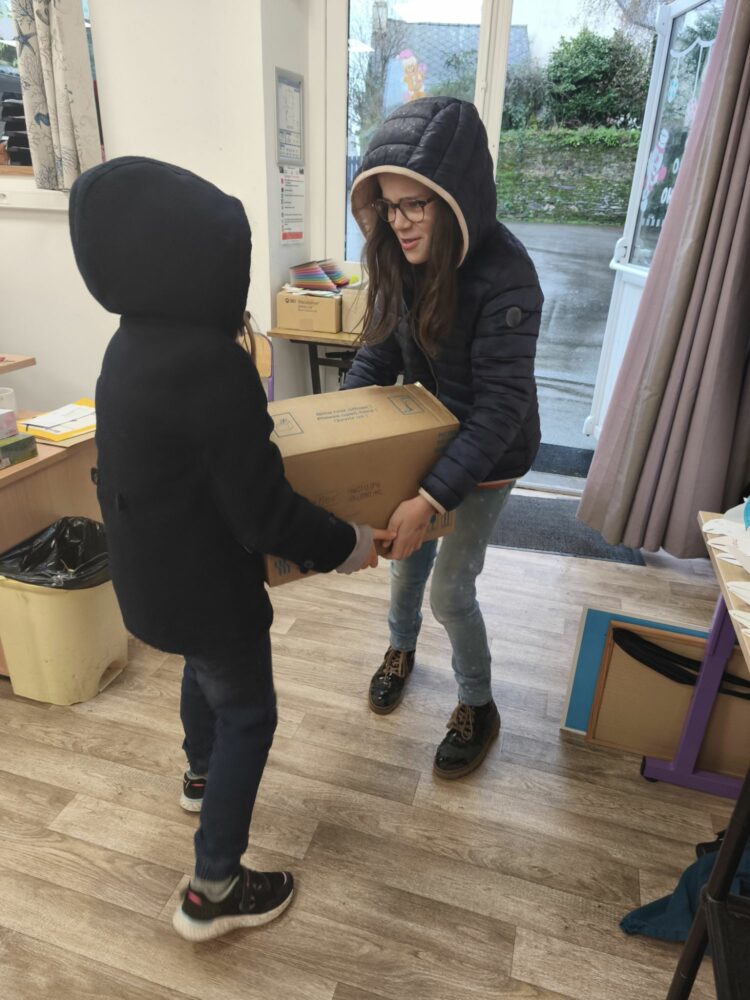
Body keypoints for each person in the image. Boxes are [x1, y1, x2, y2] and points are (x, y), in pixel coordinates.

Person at [69, 156, 393, 942]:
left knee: (201, 671)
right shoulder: (212, 367)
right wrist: (348, 544)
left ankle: (198, 773)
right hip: (210, 592)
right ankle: (213, 888)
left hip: (147, 582)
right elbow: (265, 515)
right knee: (248, 711)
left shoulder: (127, 347)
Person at [344, 96, 543, 779]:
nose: (398, 222)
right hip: (426, 436)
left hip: (490, 456)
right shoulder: (402, 258)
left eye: (415, 205)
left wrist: (429, 498)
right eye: (388, 207)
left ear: (456, 198)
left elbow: (501, 406)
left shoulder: (508, 275)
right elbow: (377, 353)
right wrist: (340, 430)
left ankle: (478, 704)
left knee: (451, 591)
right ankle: (401, 649)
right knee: (405, 564)